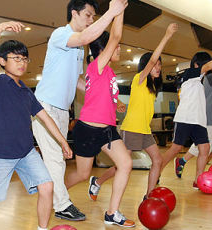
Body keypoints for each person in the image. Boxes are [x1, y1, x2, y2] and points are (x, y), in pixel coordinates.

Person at [0, 21, 73, 230]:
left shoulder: (27, 92)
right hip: (1, 154)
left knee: (47, 186)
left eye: (24, 59)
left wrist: (63, 142)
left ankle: (42, 228)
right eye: (16, 58)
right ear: (2, 61)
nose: (22, 63)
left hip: (26, 152)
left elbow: (45, 118)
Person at [32, 0, 128, 221]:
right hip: (44, 106)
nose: (91, 20)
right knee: (55, 160)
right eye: (88, 15)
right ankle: (62, 205)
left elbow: (78, 81)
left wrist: (105, 96)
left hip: (63, 110)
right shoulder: (60, 35)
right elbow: (87, 37)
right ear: (74, 14)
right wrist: (113, 12)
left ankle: (52, 196)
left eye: (93, 16)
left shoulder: (77, 50)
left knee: (62, 162)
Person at [87, 23, 178, 201]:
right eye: (155, 65)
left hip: (145, 130)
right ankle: (97, 182)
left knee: (157, 161)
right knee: (123, 165)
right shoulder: (139, 79)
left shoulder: (152, 88)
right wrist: (166, 36)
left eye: (160, 65)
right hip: (132, 129)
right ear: (146, 66)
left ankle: (149, 197)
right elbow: (151, 60)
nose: (157, 67)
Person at [64, 12, 135, 227]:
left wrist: (117, 104)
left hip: (107, 131)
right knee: (83, 174)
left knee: (126, 163)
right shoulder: (97, 66)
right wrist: (119, 11)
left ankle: (112, 213)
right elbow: (115, 36)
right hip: (88, 130)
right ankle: (57, 194)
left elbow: (98, 95)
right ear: (103, 51)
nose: (119, 49)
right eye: (116, 47)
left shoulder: (108, 72)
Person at [159, 51, 212, 189]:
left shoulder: (199, 81)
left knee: (204, 149)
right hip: (185, 118)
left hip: (199, 121)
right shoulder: (190, 74)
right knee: (175, 148)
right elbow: (207, 67)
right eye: (206, 64)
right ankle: (157, 171)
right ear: (197, 64)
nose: (209, 67)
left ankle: (198, 180)